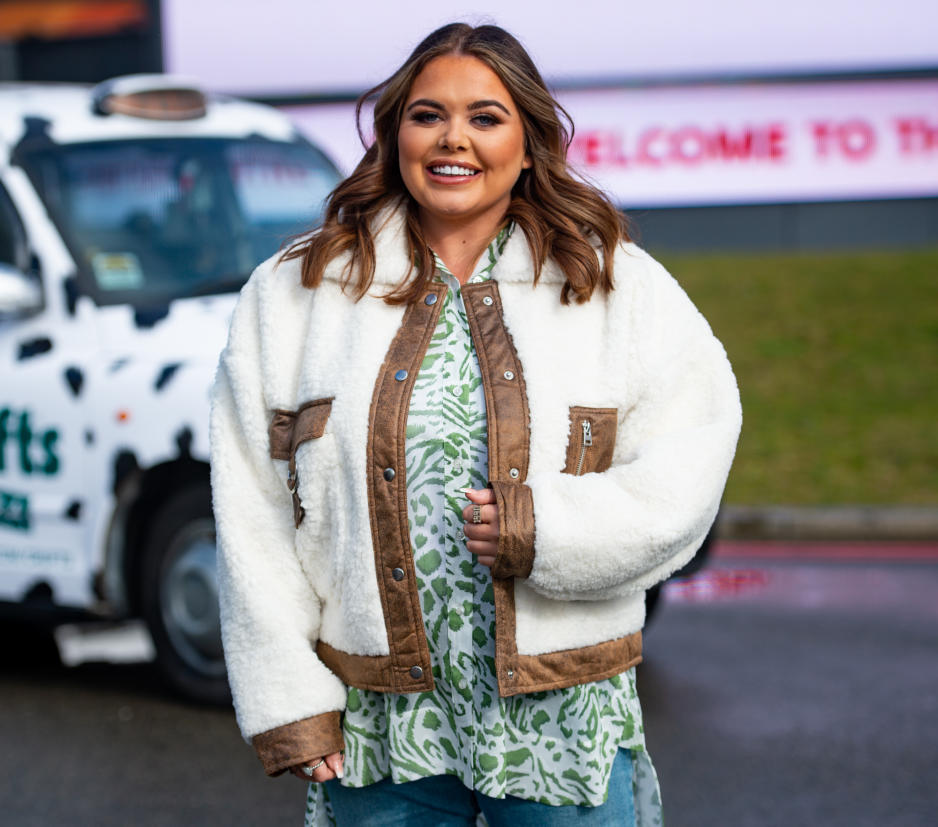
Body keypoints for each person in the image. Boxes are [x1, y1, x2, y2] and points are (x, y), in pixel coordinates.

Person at [210, 22, 740, 826]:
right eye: (428, 115)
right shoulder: (296, 294)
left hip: (561, 721)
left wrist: (545, 530)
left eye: (486, 117)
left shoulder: (612, 283)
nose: (454, 138)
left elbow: (692, 455)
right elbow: (252, 506)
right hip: (381, 728)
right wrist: (288, 693)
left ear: (528, 143)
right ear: (395, 135)